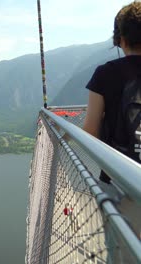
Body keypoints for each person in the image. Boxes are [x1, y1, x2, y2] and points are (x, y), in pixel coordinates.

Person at [83, 2, 141, 261]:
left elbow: (90, 131)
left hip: (118, 180)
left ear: (120, 39)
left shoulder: (105, 73)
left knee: (121, 253)